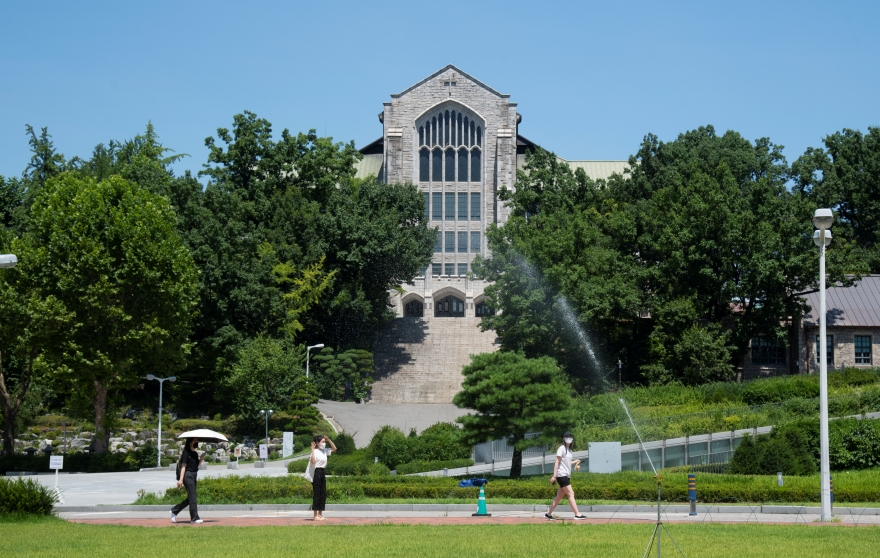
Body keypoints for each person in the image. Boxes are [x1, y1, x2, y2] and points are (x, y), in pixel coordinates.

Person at [545, 431, 585, 520]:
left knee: (559, 496)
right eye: (567, 436)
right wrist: (554, 475)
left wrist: (576, 461)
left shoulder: (569, 450)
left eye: (570, 436)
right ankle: (577, 514)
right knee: (571, 493)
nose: (569, 438)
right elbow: (557, 462)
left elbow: (566, 463)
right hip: (561, 475)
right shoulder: (561, 448)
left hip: (566, 475)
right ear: (563, 438)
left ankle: (548, 514)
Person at [171, 437, 205, 524]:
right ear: (190, 442)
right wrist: (181, 480)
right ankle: (195, 517)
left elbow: (195, 466)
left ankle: (174, 510)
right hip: (188, 475)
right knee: (193, 496)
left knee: (191, 497)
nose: (196, 442)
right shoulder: (186, 453)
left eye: (197, 441)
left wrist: (200, 460)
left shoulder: (195, 454)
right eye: (195, 441)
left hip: (194, 475)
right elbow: (183, 467)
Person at [310, 434, 337, 521]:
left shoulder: (324, 451)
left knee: (323, 494)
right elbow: (313, 461)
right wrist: (312, 450)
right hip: (316, 472)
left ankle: (320, 514)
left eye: (324, 442)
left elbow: (334, 448)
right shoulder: (315, 452)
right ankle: (315, 515)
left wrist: (329, 440)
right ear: (317, 443)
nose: (324, 443)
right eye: (322, 442)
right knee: (317, 493)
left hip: (322, 472)